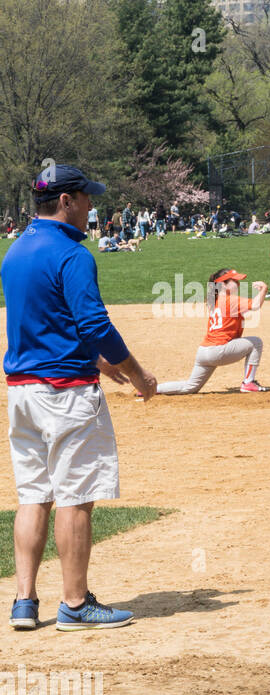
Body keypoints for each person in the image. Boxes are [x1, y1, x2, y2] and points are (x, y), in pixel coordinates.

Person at [1, 164, 157, 631]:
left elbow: (46, 326)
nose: (92, 206)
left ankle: (24, 602)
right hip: (66, 395)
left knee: (33, 495)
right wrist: (136, 373)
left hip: (22, 392)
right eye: (87, 197)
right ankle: (74, 604)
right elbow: (92, 326)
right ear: (66, 200)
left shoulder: (16, 250)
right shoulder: (72, 254)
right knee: (76, 497)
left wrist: (100, 364)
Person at [158, 268, 268, 395]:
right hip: (218, 350)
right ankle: (249, 383)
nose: (238, 283)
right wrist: (264, 289)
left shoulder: (214, 300)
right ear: (222, 284)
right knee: (256, 342)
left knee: (190, 387)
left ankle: (152, 388)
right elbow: (255, 305)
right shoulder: (230, 300)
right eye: (234, 281)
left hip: (203, 352)